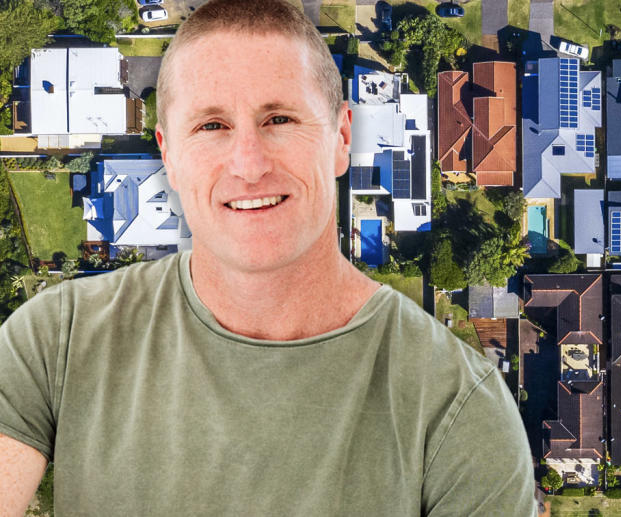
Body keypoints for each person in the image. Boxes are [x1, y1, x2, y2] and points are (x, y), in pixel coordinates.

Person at [0, 0, 536, 515]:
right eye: (211, 126)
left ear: (341, 137)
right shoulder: (58, 340)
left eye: (279, 119)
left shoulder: (457, 411)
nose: (248, 164)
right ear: (168, 154)